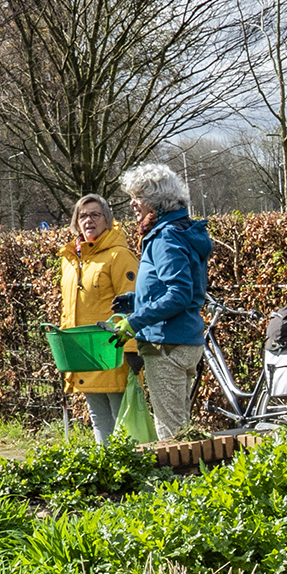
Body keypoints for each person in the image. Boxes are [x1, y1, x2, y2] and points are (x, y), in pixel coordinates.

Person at [107, 162, 211, 440]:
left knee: (172, 435)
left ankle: (184, 483)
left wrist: (136, 320)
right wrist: (135, 301)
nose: (132, 204)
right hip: (185, 339)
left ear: (154, 201)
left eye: (137, 197)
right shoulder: (182, 231)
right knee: (181, 426)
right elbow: (180, 289)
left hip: (167, 343)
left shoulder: (165, 237)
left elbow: (178, 294)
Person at [58, 192, 138, 444]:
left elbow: (133, 305)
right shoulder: (70, 260)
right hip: (85, 352)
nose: (88, 220)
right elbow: (68, 308)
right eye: (83, 215)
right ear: (75, 221)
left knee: (122, 418)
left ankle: (129, 472)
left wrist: (133, 350)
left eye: (95, 214)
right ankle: (106, 469)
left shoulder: (118, 256)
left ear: (107, 219)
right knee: (97, 416)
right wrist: (65, 347)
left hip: (113, 352)